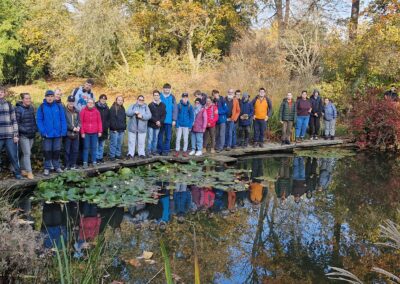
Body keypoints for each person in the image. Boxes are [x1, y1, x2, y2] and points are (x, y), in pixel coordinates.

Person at [37, 90, 67, 176]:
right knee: (47, 151)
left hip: (58, 134)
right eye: (48, 96)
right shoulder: (42, 107)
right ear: (45, 97)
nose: (50, 98)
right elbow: (39, 120)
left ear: (54, 97)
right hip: (47, 134)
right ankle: (47, 168)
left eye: (51, 96)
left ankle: (57, 166)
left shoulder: (58, 106)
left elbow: (63, 119)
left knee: (56, 151)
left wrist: (63, 131)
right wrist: (43, 131)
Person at [0, 87, 22, 179]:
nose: (0, 93)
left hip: (9, 135)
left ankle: (17, 172)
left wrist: (16, 135)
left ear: (4, 93)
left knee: (13, 155)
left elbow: (14, 121)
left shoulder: (9, 105)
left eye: (1, 92)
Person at [15, 93, 37, 179]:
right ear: (23, 100)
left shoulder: (31, 108)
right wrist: (25, 130)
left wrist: (35, 129)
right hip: (23, 135)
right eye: (26, 98)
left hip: (31, 134)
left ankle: (22, 169)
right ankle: (29, 172)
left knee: (26, 153)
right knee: (27, 153)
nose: (28, 100)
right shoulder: (18, 109)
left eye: (29, 98)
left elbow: (33, 121)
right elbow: (17, 123)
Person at [79, 98, 102, 168]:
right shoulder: (83, 111)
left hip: (94, 132)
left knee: (94, 148)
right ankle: (85, 162)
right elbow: (81, 122)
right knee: (86, 148)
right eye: (89, 102)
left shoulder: (97, 112)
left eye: (92, 103)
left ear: (94, 104)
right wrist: (82, 132)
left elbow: (99, 122)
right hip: (86, 133)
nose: (90, 104)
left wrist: (100, 131)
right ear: (87, 103)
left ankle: (94, 161)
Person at [157, 83, 177, 156]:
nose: (167, 90)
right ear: (163, 89)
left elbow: (175, 109)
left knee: (168, 137)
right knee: (160, 136)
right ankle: (159, 150)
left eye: (168, 88)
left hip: (169, 121)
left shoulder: (172, 97)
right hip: (161, 121)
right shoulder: (159, 96)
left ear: (170, 89)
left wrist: (174, 120)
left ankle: (166, 150)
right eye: (165, 88)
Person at [175, 93, 194, 157]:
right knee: (178, 138)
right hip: (179, 125)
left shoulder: (190, 106)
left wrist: (190, 126)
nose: (185, 99)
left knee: (185, 139)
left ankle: (184, 151)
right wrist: (177, 125)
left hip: (186, 125)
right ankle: (177, 151)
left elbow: (192, 117)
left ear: (187, 98)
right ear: (182, 98)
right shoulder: (179, 105)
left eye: (186, 97)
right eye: (184, 97)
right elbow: (176, 116)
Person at [64, 95, 80, 170]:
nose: (71, 103)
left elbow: (79, 121)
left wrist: (79, 127)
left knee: (75, 150)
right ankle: (67, 165)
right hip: (68, 134)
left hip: (76, 134)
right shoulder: (64, 111)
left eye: (72, 102)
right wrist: (72, 128)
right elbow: (64, 123)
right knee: (67, 150)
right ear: (67, 101)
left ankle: (73, 164)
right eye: (70, 101)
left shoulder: (77, 111)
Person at [147, 90, 166, 156]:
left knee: (155, 139)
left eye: (157, 95)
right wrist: (156, 121)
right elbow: (149, 115)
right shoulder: (150, 105)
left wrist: (160, 121)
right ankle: (149, 152)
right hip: (151, 125)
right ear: (153, 96)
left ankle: (154, 151)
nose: (156, 96)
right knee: (150, 139)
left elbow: (164, 115)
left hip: (158, 125)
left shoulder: (163, 105)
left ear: (159, 96)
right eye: (154, 95)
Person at [109, 95, 126, 161]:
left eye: (121, 100)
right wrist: (113, 129)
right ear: (116, 100)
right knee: (114, 143)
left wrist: (124, 128)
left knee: (119, 143)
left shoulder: (123, 108)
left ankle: (118, 154)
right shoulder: (113, 108)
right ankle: (112, 155)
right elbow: (111, 120)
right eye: (119, 100)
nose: (120, 101)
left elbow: (124, 119)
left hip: (121, 129)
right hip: (115, 130)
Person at [95, 94, 110, 163]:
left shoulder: (107, 107)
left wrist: (107, 126)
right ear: (99, 99)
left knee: (102, 145)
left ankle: (100, 157)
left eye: (105, 99)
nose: (103, 100)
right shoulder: (95, 106)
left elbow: (108, 118)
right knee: (96, 145)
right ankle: (96, 158)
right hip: (97, 129)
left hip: (104, 129)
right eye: (102, 98)